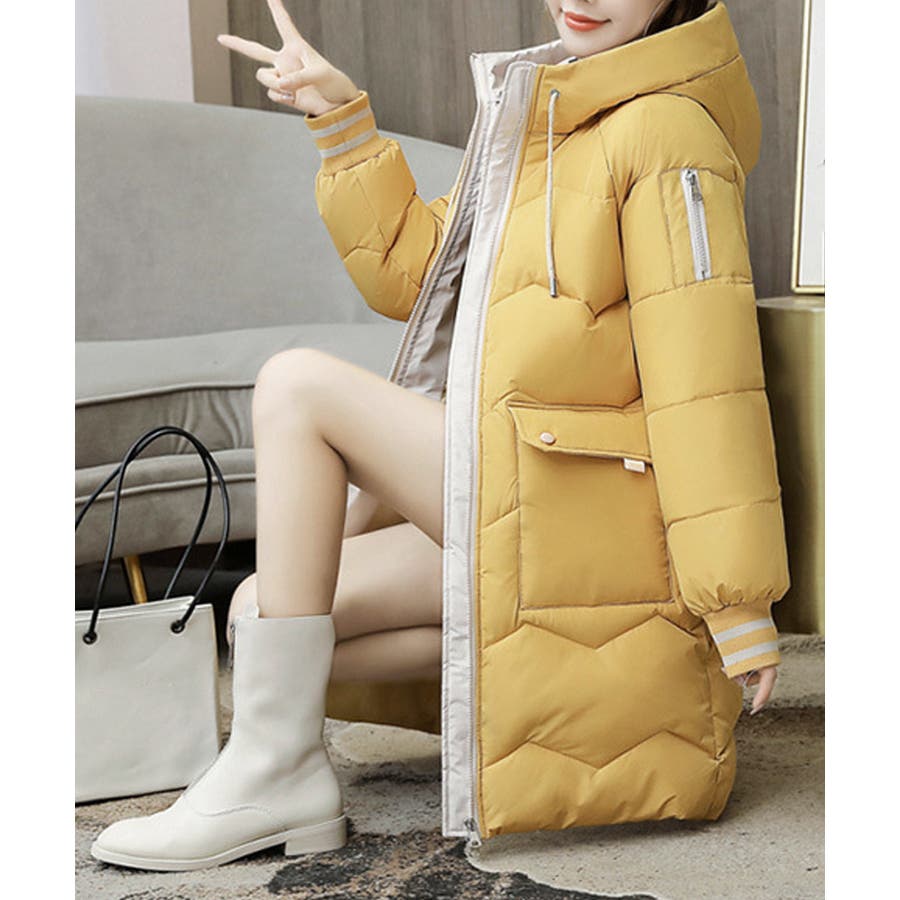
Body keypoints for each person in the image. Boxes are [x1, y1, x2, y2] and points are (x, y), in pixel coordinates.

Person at [91, 0, 784, 871]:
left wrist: (737, 598)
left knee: (297, 386)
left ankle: (273, 771)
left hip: (595, 512)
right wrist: (342, 124)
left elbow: (705, 381)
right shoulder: (555, 111)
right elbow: (413, 273)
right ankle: (317, 766)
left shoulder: (668, 133)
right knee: (263, 606)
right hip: (532, 495)